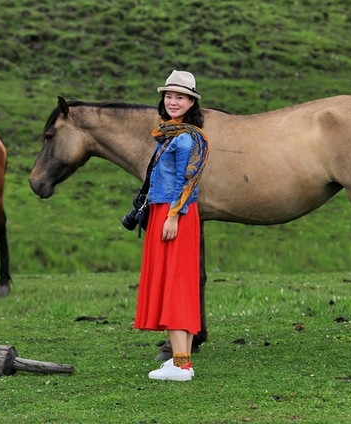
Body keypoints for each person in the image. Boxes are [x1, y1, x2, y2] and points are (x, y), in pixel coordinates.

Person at [133, 70, 210, 381]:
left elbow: (188, 180)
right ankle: (181, 359)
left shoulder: (188, 138)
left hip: (175, 213)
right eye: (169, 95)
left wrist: (173, 216)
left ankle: (182, 366)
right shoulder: (170, 134)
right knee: (177, 282)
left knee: (176, 283)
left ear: (191, 102)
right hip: (165, 211)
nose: (173, 101)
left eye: (180, 96)